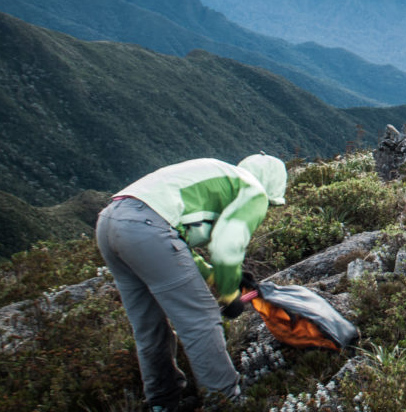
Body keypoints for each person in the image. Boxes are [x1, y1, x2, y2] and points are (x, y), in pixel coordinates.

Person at [96, 154, 287, 412]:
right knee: (201, 320)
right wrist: (229, 295)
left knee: (148, 326)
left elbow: (178, 239)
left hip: (109, 221)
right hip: (146, 227)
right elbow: (226, 245)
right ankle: (224, 401)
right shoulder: (253, 190)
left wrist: (214, 276)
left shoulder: (222, 176)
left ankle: (162, 402)